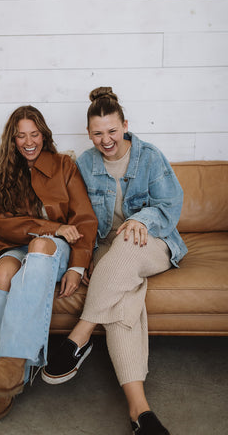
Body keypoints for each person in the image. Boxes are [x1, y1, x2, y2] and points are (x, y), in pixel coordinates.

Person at [42, 87, 188, 435]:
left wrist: (141, 220)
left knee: (126, 239)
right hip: (111, 248)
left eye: (112, 131)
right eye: (97, 133)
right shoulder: (86, 164)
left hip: (155, 241)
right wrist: (88, 258)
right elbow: (82, 218)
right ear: (88, 133)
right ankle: (141, 413)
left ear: (125, 125)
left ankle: (80, 335)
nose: (105, 140)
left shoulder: (150, 156)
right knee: (124, 301)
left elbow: (171, 208)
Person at [0, 105, 98, 421]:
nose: (29, 142)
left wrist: (76, 266)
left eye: (34, 134)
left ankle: (11, 365)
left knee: (40, 244)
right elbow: (1, 222)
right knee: (3, 272)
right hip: (16, 245)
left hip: (57, 248)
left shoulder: (64, 166)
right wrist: (52, 226)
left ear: (44, 134)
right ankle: (6, 379)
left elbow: (84, 219)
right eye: (21, 136)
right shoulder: (3, 173)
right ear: (12, 140)